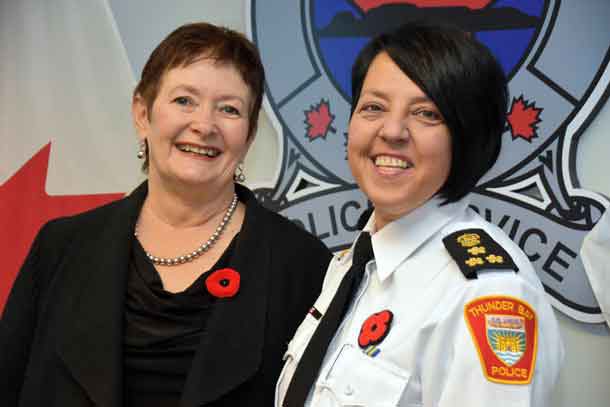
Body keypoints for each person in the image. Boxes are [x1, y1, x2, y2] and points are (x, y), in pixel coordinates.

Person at [0, 22, 331, 406]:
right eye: (184, 101)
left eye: (229, 109)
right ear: (143, 113)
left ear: (250, 134)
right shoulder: (61, 248)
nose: (204, 125)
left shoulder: (303, 266)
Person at [276, 22, 564, 407]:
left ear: (468, 136)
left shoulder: (487, 294)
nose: (392, 131)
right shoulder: (356, 260)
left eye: (427, 113)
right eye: (373, 107)